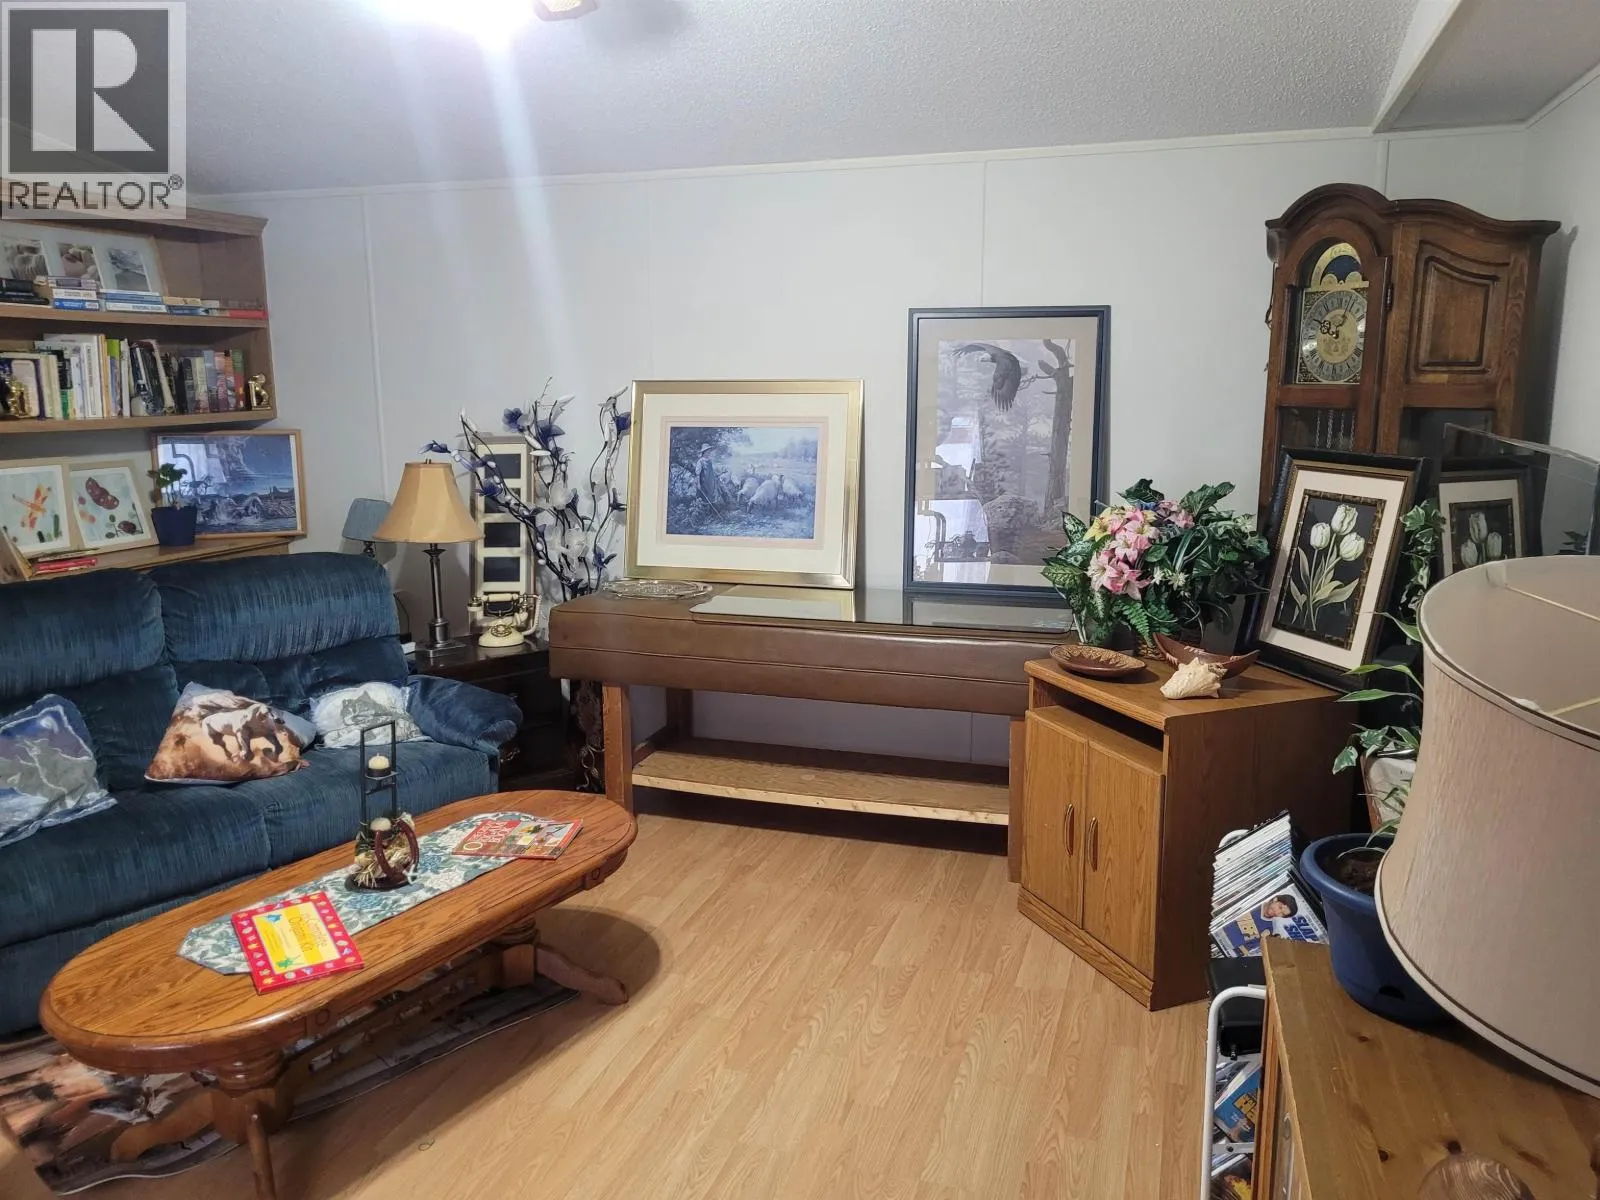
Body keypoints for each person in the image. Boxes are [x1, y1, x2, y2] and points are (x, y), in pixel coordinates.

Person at [695, 444, 727, 510]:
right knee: (705, 496)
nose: (709, 452)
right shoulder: (700, 461)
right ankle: (704, 510)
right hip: (704, 482)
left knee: (712, 495)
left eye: (709, 451)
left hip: (711, 481)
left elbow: (712, 471)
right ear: (704, 452)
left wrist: (718, 474)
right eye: (707, 451)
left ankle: (712, 511)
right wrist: (698, 484)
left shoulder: (709, 460)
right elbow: (698, 474)